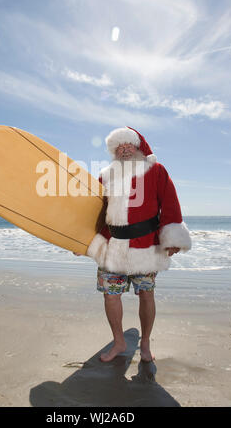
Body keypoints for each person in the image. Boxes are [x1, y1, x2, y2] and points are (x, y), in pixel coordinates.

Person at [74, 126, 191, 363]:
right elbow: (94, 211)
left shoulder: (156, 170)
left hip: (146, 246)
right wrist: (83, 240)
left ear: (138, 147)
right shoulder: (105, 175)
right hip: (112, 246)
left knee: (146, 294)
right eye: (120, 146)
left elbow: (169, 203)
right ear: (114, 151)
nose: (125, 150)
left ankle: (145, 343)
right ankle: (119, 342)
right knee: (110, 296)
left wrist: (172, 237)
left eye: (129, 145)